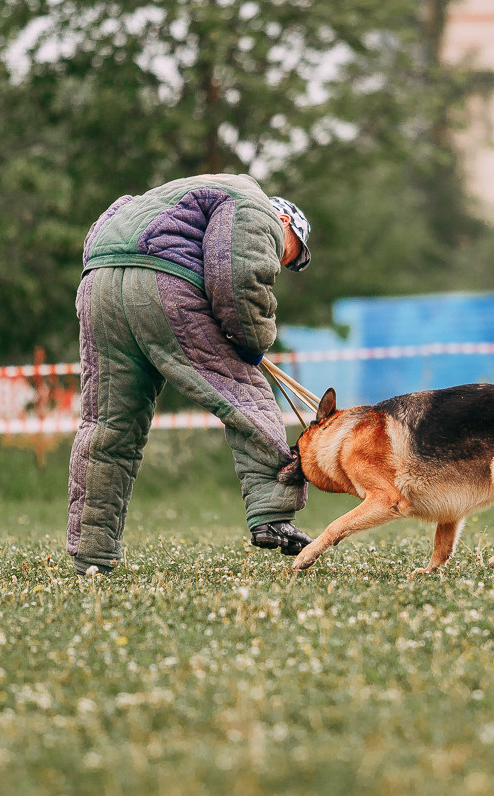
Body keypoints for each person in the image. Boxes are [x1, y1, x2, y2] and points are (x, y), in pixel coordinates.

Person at [67, 173, 314, 575]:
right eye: (289, 255)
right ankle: (273, 515)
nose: (283, 265)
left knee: (107, 426)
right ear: (285, 223)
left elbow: (107, 222)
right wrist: (253, 339)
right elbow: (236, 274)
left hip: (98, 284)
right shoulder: (256, 204)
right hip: (162, 282)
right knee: (246, 395)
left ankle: (92, 555)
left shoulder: (165, 195)